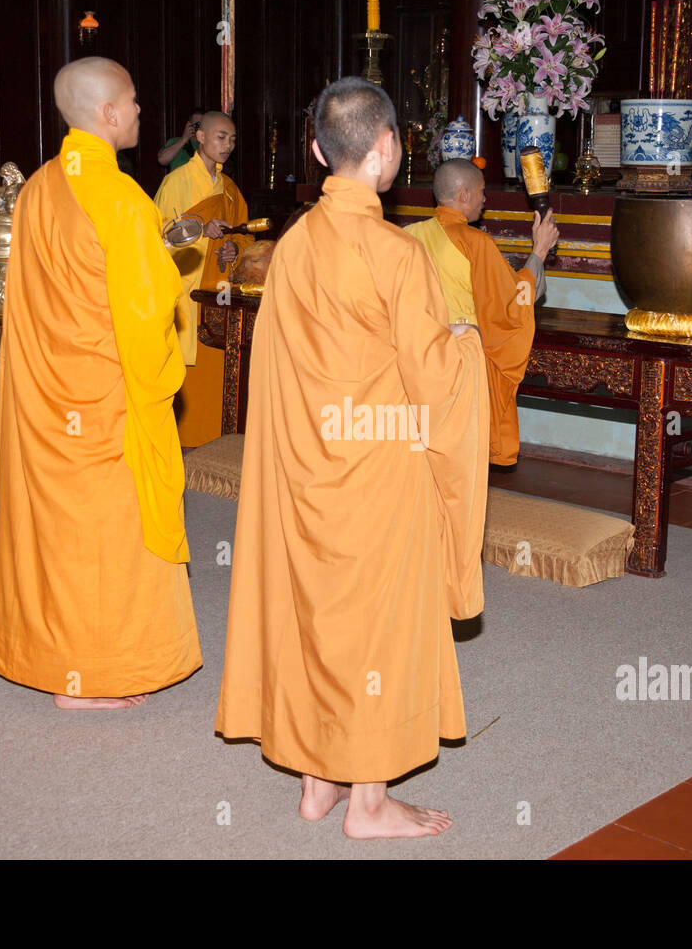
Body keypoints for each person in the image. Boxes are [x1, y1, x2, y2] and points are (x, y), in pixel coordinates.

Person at [216, 77, 489, 838]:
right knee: (374, 626)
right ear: (387, 151)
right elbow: (430, 375)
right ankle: (369, 801)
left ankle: (317, 780)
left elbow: (278, 367)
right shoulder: (396, 254)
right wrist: (463, 351)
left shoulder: (293, 244)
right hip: (377, 467)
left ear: (314, 150)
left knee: (316, 615)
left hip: (305, 465)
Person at [0, 57, 201, 710]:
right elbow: (141, 320)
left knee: (59, 531)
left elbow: (38, 294)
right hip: (106, 398)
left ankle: (58, 662)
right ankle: (95, 677)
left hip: (45, 393)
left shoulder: (40, 186)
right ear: (108, 113)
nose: (140, 111)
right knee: (111, 537)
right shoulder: (120, 198)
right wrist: (162, 378)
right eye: (133, 101)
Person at [405, 159, 558, 471]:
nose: (484, 199)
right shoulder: (475, 242)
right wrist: (539, 251)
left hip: (416, 359)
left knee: (423, 450)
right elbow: (516, 301)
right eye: (481, 192)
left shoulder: (408, 235)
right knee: (460, 458)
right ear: (463, 196)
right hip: (461, 362)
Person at [154, 110, 251, 446]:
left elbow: (243, 234)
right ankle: (180, 443)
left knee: (217, 366)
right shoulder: (176, 182)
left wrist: (232, 250)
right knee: (185, 365)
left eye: (233, 138)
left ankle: (213, 442)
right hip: (186, 292)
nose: (228, 144)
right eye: (221, 137)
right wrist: (199, 230)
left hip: (218, 292)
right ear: (201, 137)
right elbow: (160, 239)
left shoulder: (228, 189)